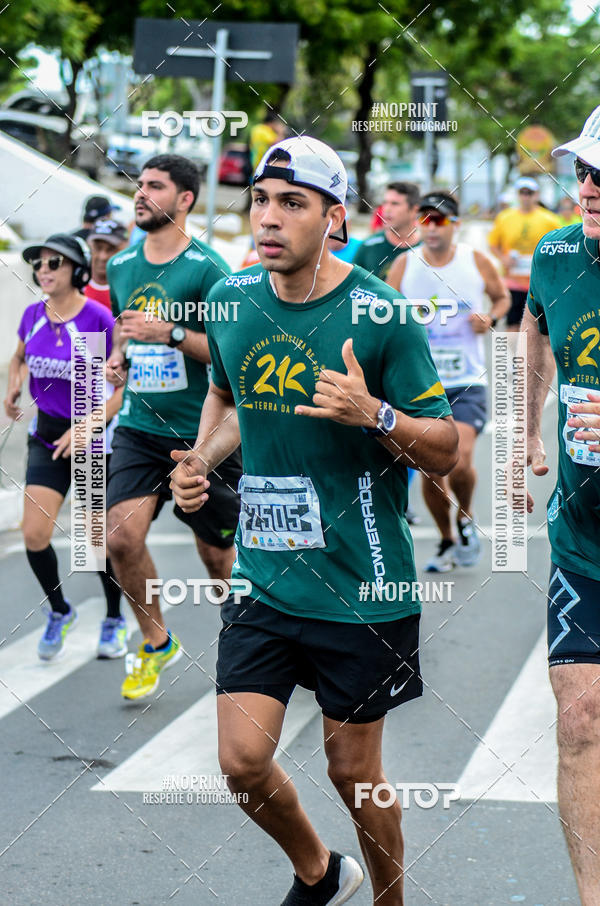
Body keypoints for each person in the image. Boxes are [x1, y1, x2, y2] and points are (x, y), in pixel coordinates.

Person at [170, 136, 458, 906]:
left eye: (291, 204)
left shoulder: (381, 312)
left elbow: (445, 450)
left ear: (333, 218)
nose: (269, 217)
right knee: (240, 762)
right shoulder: (231, 300)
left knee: (354, 776)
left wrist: (375, 412)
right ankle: (321, 872)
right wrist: (201, 461)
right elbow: (229, 398)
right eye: (261, 200)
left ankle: (388, 900)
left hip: (363, 587)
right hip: (266, 576)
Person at [105, 153, 240, 701]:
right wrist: (118, 358)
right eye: (138, 185)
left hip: (202, 436)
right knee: (119, 537)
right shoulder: (119, 266)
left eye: (154, 186)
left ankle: (252, 640)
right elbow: (124, 330)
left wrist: (172, 335)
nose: (140, 194)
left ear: (185, 200)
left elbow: (232, 356)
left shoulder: (210, 269)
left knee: (217, 554)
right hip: (140, 425)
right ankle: (155, 641)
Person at [524, 106, 600, 906]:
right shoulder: (555, 253)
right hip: (584, 533)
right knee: (579, 717)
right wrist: (526, 426)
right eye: (583, 170)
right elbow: (534, 329)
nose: (589, 186)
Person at [3, 234, 128, 660]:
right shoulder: (34, 315)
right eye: (38, 263)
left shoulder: (96, 319)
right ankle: (60, 610)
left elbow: (118, 391)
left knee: (93, 544)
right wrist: (13, 385)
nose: (44, 270)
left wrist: (87, 428)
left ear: (76, 270)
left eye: (54, 262)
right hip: (46, 434)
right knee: (34, 534)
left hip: (89, 435)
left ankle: (113, 618)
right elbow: (19, 358)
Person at [388, 191, 510, 571]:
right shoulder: (404, 267)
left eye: (438, 220)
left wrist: (490, 317)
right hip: (420, 383)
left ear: (454, 225)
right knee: (431, 467)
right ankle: (446, 539)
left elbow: (502, 298)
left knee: (460, 460)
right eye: (424, 220)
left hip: (466, 379)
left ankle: (465, 516)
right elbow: (384, 315)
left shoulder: (475, 262)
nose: (431, 227)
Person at [488, 176, 559, 331]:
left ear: (537, 195)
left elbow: (559, 247)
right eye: (522, 193)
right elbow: (493, 244)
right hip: (513, 281)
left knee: (539, 328)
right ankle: (515, 356)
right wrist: (503, 258)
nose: (526, 197)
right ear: (517, 195)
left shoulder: (550, 219)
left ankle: (535, 355)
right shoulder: (505, 217)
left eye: (529, 193)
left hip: (539, 283)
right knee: (513, 326)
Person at [352, 182, 421, 281]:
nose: (387, 209)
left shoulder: (426, 247)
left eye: (395, 204)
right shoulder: (368, 246)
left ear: (414, 210)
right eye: (385, 202)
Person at [84, 218, 129, 311]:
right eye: (98, 248)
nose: (103, 256)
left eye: (111, 249)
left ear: (125, 249)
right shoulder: (73, 285)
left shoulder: (133, 290)